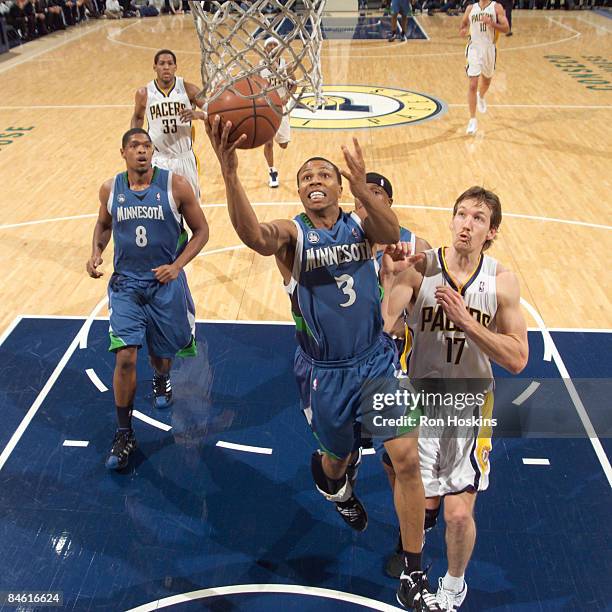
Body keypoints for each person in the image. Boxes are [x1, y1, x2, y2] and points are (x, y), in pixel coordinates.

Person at [206, 116, 442, 611]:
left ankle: (416, 575)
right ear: (299, 192)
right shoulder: (292, 236)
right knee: (337, 461)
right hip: (324, 374)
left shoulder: (364, 225)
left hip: (376, 361)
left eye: (324, 175)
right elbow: (252, 235)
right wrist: (229, 174)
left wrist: (364, 185)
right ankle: (334, 483)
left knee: (405, 458)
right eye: (306, 177)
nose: (315, 181)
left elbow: (392, 228)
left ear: (338, 187)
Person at [380, 186, 528, 609]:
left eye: (478, 218)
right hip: (419, 400)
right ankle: (414, 563)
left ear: (491, 232)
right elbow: (386, 325)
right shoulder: (422, 268)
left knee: (459, 514)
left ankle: (454, 584)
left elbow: (518, 358)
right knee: (418, 500)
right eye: (461, 214)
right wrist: (389, 277)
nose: (466, 223)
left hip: (469, 408)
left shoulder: (501, 281)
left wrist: (467, 321)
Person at [86, 128, 209, 471]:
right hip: (126, 286)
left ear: (153, 151)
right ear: (122, 152)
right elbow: (103, 224)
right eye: (134, 146)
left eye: (146, 146)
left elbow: (202, 230)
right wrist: (96, 251)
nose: (141, 151)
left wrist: (177, 265)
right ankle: (124, 433)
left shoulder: (176, 185)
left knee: (161, 356)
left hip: (163, 285)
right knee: (125, 356)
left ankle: (161, 377)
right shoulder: (111, 189)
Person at [354, 171, 431, 374]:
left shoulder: (416, 246)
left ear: (390, 201)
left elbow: (433, 307)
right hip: (353, 347)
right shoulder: (342, 243)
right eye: (362, 192)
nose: (367, 197)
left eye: (376, 192)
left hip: (398, 350)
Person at [131, 49, 205, 201]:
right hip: (159, 159)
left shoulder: (189, 89)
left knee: (192, 208)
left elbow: (214, 112)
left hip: (184, 158)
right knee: (161, 210)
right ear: (154, 67)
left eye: (170, 63)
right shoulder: (144, 93)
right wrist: (135, 144)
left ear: (175, 67)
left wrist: (198, 115)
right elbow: (138, 117)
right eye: (162, 63)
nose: (166, 67)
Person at [459, 0, 509, 135]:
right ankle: (472, 120)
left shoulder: (496, 7)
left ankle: (481, 96)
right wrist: (463, 30)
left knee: (486, 81)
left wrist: (491, 23)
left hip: (489, 49)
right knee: (473, 84)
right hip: (473, 47)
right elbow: (463, 24)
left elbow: (506, 28)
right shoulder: (470, 8)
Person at [260, 37, 295, 188]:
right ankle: (272, 171)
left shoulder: (286, 65)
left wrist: (287, 96)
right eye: (269, 45)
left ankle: (276, 134)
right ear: (264, 49)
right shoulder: (259, 67)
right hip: (267, 107)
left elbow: (294, 85)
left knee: (284, 144)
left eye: (275, 44)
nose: (272, 47)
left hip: (282, 106)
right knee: (268, 142)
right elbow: (255, 88)